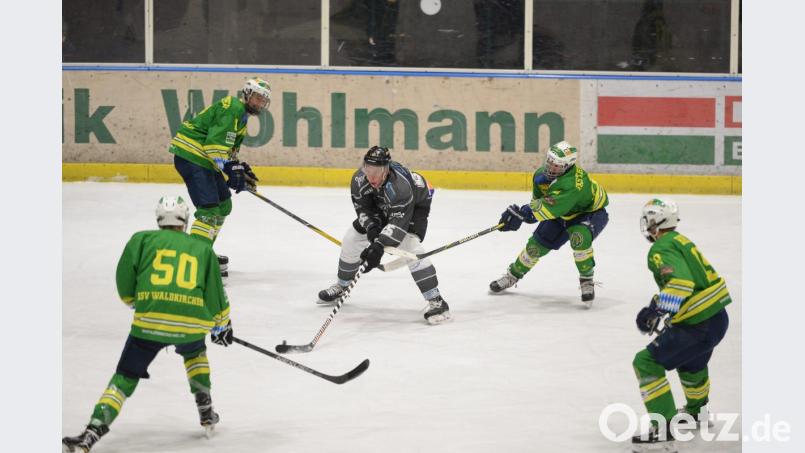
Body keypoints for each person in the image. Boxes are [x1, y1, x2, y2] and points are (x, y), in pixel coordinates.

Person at [62, 196, 234, 453]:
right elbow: (215, 295)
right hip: (190, 322)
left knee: (125, 377)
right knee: (195, 353)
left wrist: (136, 301)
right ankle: (206, 409)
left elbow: (125, 280)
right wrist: (222, 325)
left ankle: (92, 432)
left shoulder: (140, 240)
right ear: (185, 220)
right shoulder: (201, 248)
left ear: (158, 220)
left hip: (149, 323)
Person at [631, 198, 731, 448]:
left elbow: (680, 283)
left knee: (646, 362)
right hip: (716, 318)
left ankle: (663, 427)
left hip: (697, 324)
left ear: (656, 221)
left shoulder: (660, 248)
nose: (647, 224)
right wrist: (659, 302)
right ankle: (697, 412)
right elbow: (690, 280)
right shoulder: (680, 240)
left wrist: (656, 310)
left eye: (649, 219)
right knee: (691, 364)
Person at [317, 146, 451, 325]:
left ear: (386, 169)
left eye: (377, 171)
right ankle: (342, 285)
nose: (371, 176)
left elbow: (397, 225)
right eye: (368, 169)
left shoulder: (401, 187)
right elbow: (364, 209)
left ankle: (437, 301)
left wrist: (378, 247)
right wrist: (372, 230)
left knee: (410, 247)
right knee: (352, 238)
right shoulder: (359, 179)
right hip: (384, 202)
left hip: (416, 204)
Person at [169, 77, 271, 277]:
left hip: (203, 160)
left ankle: (203, 251)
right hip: (193, 157)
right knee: (209, 210)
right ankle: (195, 263)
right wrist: (230, 168)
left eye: (263, 100)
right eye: (258, 98)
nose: (260, 103)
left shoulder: (240, 116)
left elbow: (225, 150)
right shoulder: (233, 108)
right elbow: (213, 145)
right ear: (248, 94)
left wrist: (239, 168)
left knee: (224, 204)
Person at [489, 141, 609, 306]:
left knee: (579, 239)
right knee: (535, 247)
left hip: (588, 214)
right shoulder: (540, 176)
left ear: (567, 166)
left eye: (557, 165)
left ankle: (586, 280)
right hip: (560, 212)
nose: (551, 167)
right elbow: (539, 203)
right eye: (550, 162)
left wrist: (524, 214)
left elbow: (547, 207)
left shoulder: (572, 184)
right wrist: (522, 214)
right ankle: (512, 276)